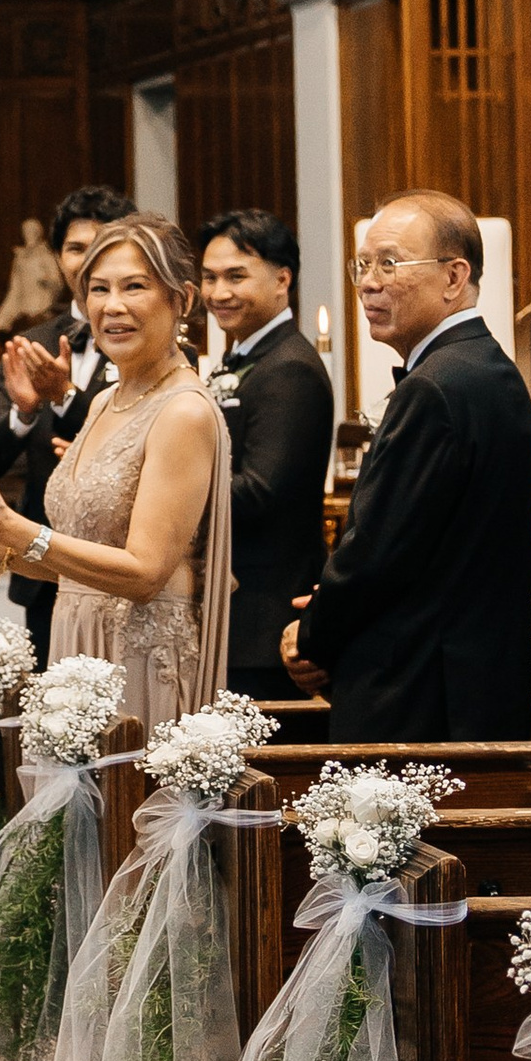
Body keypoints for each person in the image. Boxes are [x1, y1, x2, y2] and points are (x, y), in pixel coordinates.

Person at [0, 213, 232, 730]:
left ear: (180, 300)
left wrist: (19, 529)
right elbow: (73, 566)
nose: (112, 306)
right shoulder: (106, 402)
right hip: (77, 643)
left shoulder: (184, 411)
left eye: (134, 287)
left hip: (138, 654)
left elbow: (144, 574)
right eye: (98, 288)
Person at [285, 192, 531, 740]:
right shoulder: (487, 368)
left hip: (418, 690)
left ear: (454, 276)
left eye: (390, 263)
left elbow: (378, 554)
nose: (369, 283)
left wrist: (309, 635)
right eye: (363, 264)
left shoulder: (435, 385)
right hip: (469, 681)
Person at [0, 185, 136, 662]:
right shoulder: (33, 341)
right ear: (59, 258)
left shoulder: (150, 340)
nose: (86, 262)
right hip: (43, 566)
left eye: (101, 246)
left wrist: (65, 397)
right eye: (75, 249)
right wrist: (23, 413)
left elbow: (140, 438)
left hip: (128, 563)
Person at [197, 210, 336, 701]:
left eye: (236, 276)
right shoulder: (244, 359)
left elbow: (260, 492)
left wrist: (161, 486)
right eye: (209, 277)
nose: (218, 292)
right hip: (234, 614)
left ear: (282, 279)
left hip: (262, 618)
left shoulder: (288, 368)